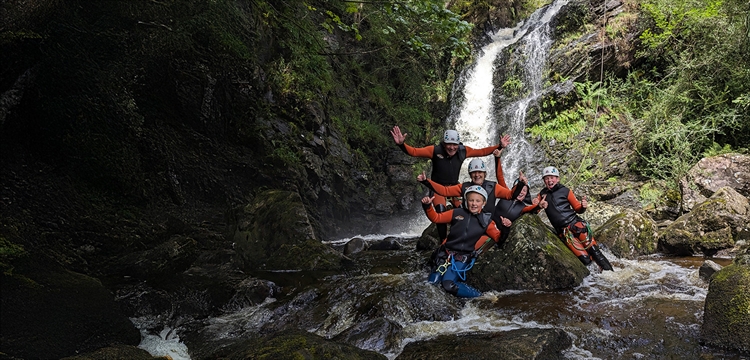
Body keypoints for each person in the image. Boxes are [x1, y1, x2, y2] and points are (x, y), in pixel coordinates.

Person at [391, 126, 504, 240]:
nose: (452, 147)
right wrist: (401, 145)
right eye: (449, 144)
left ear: (458, 144)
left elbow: (483, 151)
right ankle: (443, 242)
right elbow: (414, 152)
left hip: (454, 187)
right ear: (444, 144)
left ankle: (471, 237)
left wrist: (500, 145)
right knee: (441, 211)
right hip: (438, 188)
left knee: (466, 209)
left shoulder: (463, 151)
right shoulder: (435, 150)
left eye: (455, 144)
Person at [422, 185, 505, 298]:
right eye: (471, 200)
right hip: (445, 254)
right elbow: (436, 218)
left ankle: (481, 296)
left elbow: (499, 239)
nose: (474, 203)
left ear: (483, 203)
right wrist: (427, 206)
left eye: (478, 201)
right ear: (466, 201)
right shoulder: (456, 213)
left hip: (462, 257)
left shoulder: (487, 222)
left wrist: (506, 228)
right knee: (432, 283)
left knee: (448, 285)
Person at [534, 166, 613, 270]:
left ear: (557, 179)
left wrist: (583, 206)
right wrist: (537, 205)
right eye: (547, 178)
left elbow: (577, 208)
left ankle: (610, 274)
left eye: (552, 177)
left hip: (576, 224)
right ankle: (597, 279)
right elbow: (534, 211)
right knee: (584, 259)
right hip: (564, 232)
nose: (549, 180)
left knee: (594, 250)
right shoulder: (542, 195)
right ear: (544, 181)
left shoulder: (566, 191)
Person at [491, 148, 539, 244]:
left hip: (500, 235)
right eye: (519, 189)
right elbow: (499, 176)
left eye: (524, 190)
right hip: (489, 226)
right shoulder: (506, 194)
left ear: (526, 194)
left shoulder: (523, 208)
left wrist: (540, 205)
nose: (521, 192)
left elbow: (532, 209)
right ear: (514, 189)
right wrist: (498, 158)